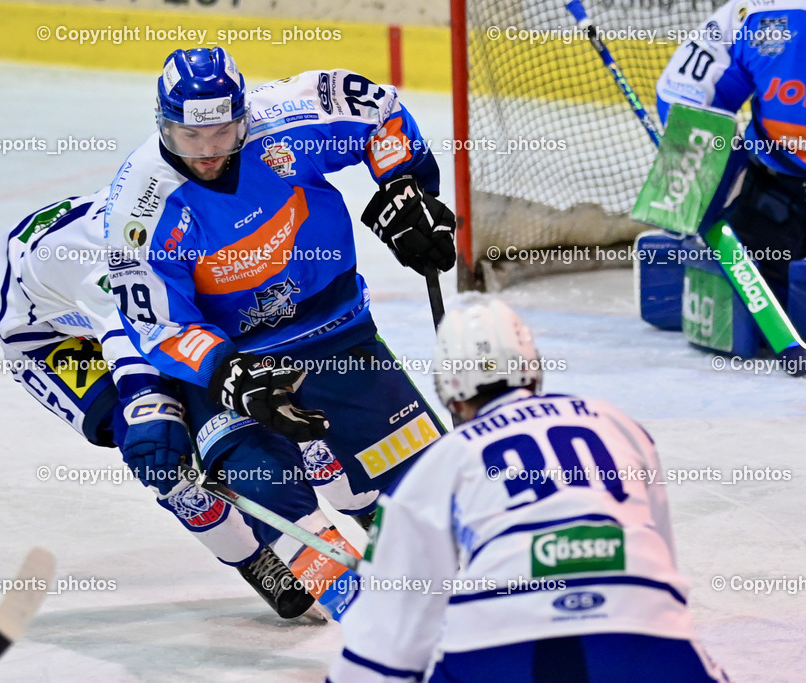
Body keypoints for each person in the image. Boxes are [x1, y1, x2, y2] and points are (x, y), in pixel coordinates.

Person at [103, 48, 455, 560]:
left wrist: (404, 186)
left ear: (245, 117)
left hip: (337, 332)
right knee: (274, 498)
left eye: (223, 132)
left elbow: (380, 111)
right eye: (189, 136)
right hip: (238, 367)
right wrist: (224, 371)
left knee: (430, 492)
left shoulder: (289, 117)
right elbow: (155, 324)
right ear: (163, 126)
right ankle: (355, 611)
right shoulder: (140, 205)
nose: (208, 151)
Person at [0, 186, 372, 619]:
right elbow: (127, 340)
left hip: (127, 290)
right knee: (157, 451)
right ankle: (251, 558)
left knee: (252, 384)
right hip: (46, 335)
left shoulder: (190, 226)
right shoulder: (118, 273)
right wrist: (152, 409)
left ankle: (324, 479)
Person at [329, 298, 728, 682]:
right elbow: (659, 558)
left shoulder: (437, 464)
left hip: (499, 646)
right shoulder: (618, 425)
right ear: (534, 368)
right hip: (648, 636)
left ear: (447, 390)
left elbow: (383, 644)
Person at [657, 0, 806, 299]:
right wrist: (697, 167)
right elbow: (685, 91)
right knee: (750, 321)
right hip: (778, 196)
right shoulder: (758, 13)